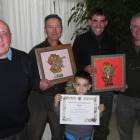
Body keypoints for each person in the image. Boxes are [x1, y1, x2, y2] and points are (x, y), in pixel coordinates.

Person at [72, 7, 116, 140]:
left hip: (106, 91)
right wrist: (84, 68)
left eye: (102, 21)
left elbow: (116, 65)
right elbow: (72, 64)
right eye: (95, 21)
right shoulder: (80, 40)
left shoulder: (111, 40)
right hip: (86, 90)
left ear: (106, 23)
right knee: (84, 127)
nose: (98, 25)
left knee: (103, 128)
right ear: (89, 21)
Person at [28, 14, 66, 140]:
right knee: (34, 135)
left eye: (57, 27)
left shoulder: (66, 53)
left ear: (62, 29)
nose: (54, 31)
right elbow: (24, 77)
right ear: (45, 30)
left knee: (58, 136)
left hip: (58, 99)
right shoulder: (35, 51)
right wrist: (37, 83)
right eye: (50, 27)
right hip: (38, 100)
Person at [0, 20, 34, 140]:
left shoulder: (25, 60)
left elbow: (28, 90)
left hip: (18, 132)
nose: (0, 38)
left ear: (10, 37)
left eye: (4, 33)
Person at [54, 70, 105, 140]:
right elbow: (61, 116)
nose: (81, 88)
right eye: (78, 84)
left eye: (84, 85)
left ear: (89, 86)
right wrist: (56, 104)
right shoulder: (68, 99)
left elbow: (95, 119)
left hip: (86, 136)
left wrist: (100, 112)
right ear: (73, 85)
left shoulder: (93, 101)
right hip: (70, 135)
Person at [117, 13, 140, 140]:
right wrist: (117, 83)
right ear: (130, 28)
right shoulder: (122, 46)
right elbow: (115, 70)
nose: (138, 30)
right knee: (125, 133)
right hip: (125, 100)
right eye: (135, 26)